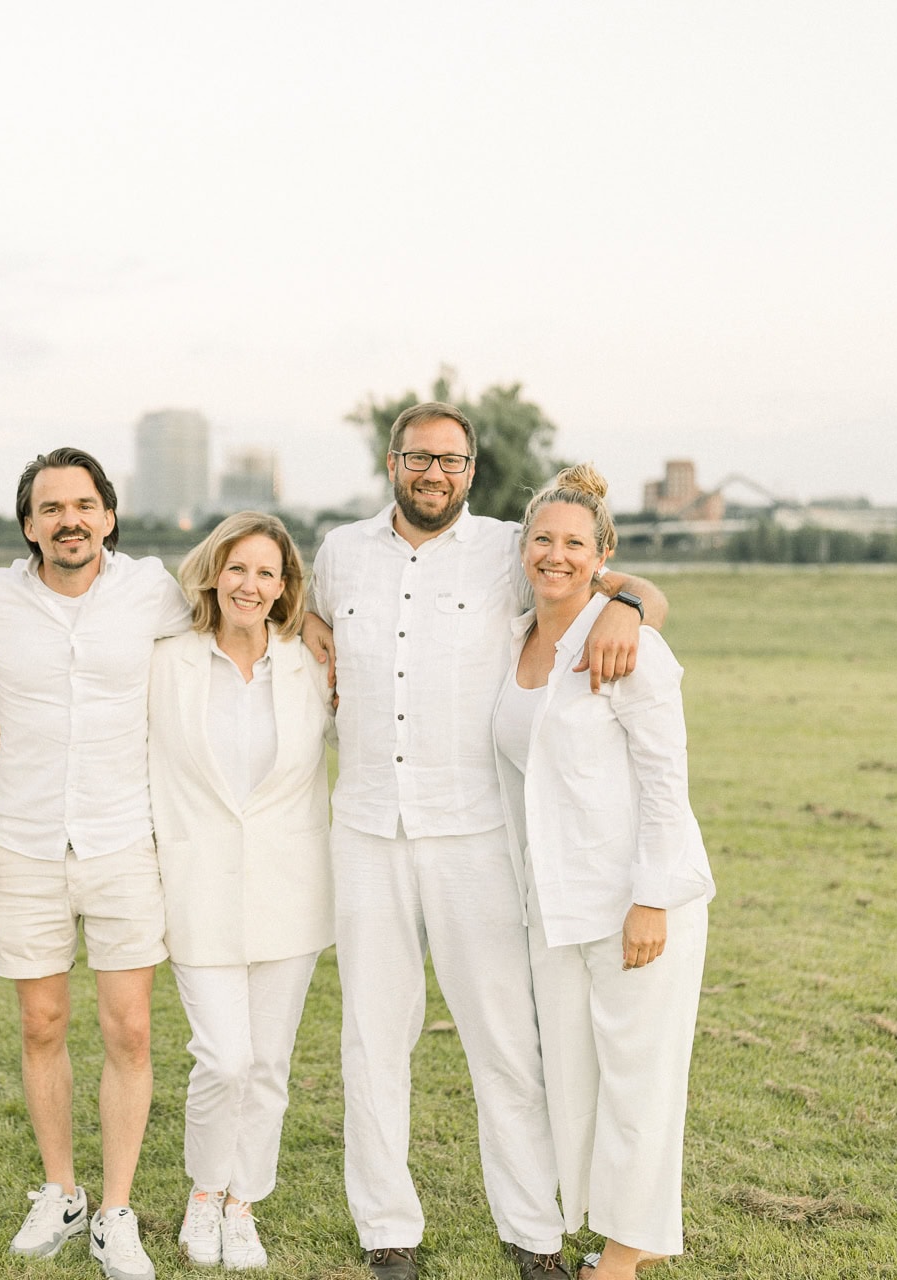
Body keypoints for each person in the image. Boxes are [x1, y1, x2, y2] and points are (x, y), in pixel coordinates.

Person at [307, 402, 669, 1280]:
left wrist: (631, 610)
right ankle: (387, 1230)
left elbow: (622, 584)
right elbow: (302, 622)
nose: (435, 474)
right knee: (371, 1037)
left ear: (473, 470)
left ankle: (532, 1234)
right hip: (363, 828)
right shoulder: (340, 551)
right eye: (418, 458)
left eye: (453, 461)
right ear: (391, 462)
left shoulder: (511, 549)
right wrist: (311, 631)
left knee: (505, 1041)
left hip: (473, 832)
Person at [0, 447, 194, 1280]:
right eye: (51, 508)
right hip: (25, 843)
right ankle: (60, 1188)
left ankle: (116, 1208)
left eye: (83, 505)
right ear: (29, 524)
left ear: (107, 515)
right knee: (41, 1024)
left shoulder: (151, 590)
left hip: (123, 840)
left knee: (129, 1028)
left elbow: (239, 615)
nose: (69, 520)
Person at [491, 465, 714, 1280]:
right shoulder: (512, 635)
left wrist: (651, 899)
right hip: (554, 903)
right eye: (543, 540)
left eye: (574, 543)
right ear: (522, 549)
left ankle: (622, 1256)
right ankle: (621, 1223)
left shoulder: (628, 644)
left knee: (640, 1079)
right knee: (577, 1082)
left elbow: (666, 782)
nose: (556, 555)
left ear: (603, 555)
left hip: (636, 901)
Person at [147, 512, 335, 1272]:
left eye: (266, 573)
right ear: (212, 574)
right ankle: (204, 1194)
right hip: (197, 889)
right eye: (237, 569)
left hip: (290, 894)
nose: (250, 585)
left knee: (268, 1065)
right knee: (223, 1058)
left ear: (285, 586)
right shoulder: (168, 658)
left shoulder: (309, 665)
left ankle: (243, 1201)